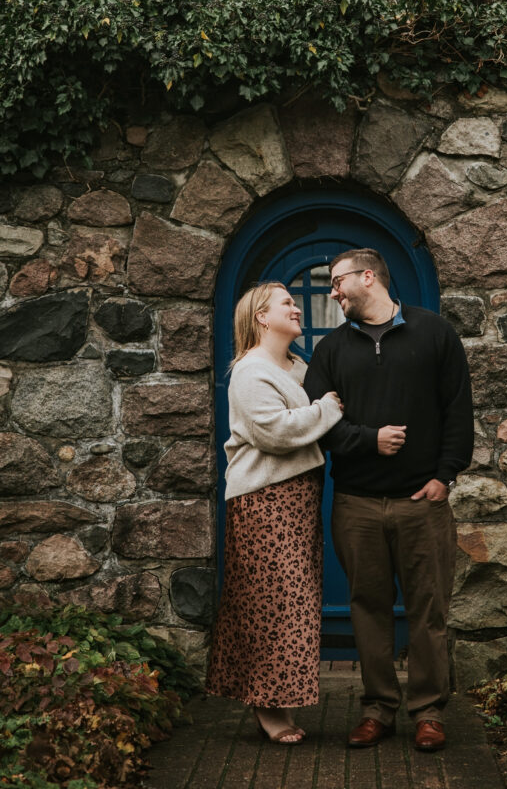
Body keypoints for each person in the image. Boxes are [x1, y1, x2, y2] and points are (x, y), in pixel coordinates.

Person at [304, 248, 473, 752]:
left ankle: (429, 712)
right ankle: (377, 709)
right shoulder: (331, 350)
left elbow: (458, 409)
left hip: (422, 501)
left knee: (428, 609)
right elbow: (320, 426)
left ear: (368, 277)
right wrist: (367, 440)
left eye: (337, 282)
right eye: (331, 285)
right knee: (367, 608)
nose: (332, 292)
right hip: (356, 503)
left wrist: (446, 476)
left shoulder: (434, 333)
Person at [206, 281, 343, 745]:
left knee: (293, 603)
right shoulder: (251, 371)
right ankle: (267, 706)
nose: (296, 308)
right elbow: (274, 432)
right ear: (261, 316)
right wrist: (325, 410)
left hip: (298, 499)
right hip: (262, 502)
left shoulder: (298, 366)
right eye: (287, 303)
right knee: (270, 603)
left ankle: (274, 697)